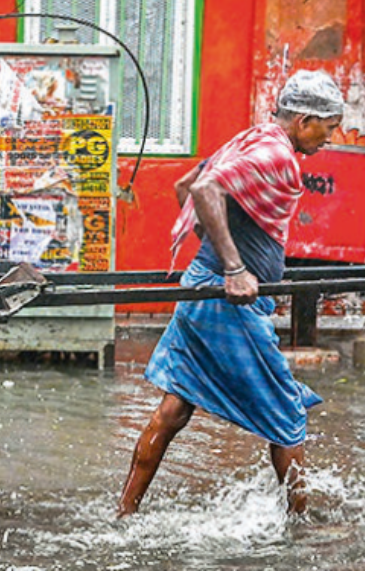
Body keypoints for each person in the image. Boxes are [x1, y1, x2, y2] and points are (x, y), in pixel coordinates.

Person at [116, 69, 343, 518]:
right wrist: (234, 267)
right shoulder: (276, 154)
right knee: (287, 412)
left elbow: (186, 187)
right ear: (303, 121)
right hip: (224, 302)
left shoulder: (252, 138)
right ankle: (300, 528)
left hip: (203, 287)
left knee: (176, 407)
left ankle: (125, 512)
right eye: (328, 127)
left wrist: (215, 254)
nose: (330, 139)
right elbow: (202, 189)